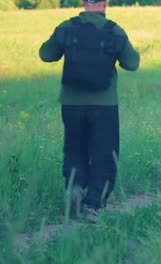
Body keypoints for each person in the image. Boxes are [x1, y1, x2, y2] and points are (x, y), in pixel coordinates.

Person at [39, 0, 140, 222]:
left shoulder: (67, 26)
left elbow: (46, 55)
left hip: (71, 103)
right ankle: (93, 205)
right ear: (105, 3)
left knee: (74, 148)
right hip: (104, 105)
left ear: (84, 2)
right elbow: (132, 63)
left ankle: (75, 188)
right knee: (105, 154)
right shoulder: (115, 30)